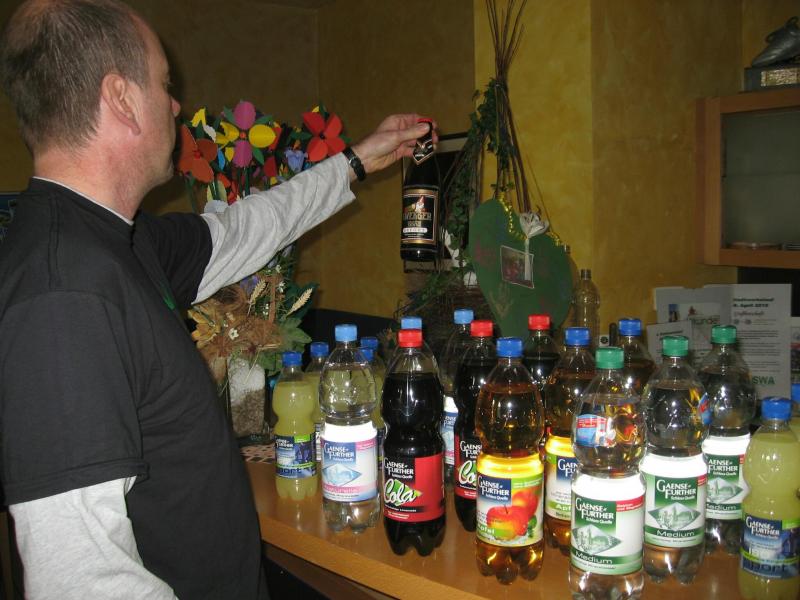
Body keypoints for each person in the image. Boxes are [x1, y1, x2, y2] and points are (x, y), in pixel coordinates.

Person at [0, 1, 436, 598]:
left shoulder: (117, 241)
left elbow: (242, 230)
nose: (176, 105)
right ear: (121, 98)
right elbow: (79, 579)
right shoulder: (62, 294)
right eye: (164, 84)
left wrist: (354, 163)